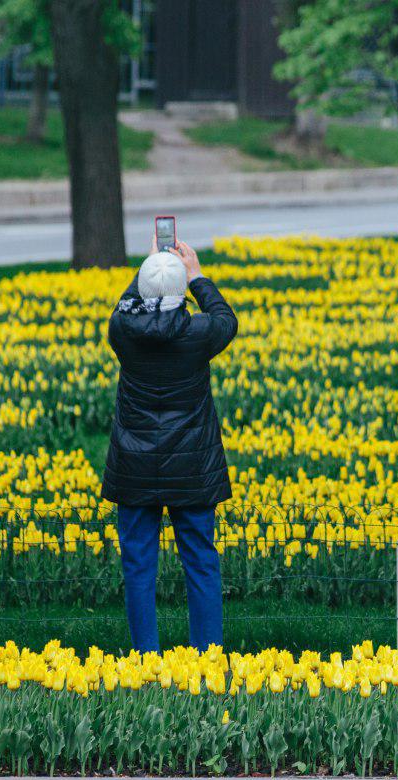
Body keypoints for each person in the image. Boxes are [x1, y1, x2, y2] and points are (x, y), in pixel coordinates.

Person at [101, 238, 238, 653]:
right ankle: (208, 658)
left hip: (135, 466)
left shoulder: (122, 330)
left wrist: (150, 267)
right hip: (192, 466)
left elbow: (127, 303)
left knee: (139, 567)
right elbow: (225, 318)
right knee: (200, 562)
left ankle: (146, 659)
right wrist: (195, 276)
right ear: (181, 292)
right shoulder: (199, 333)